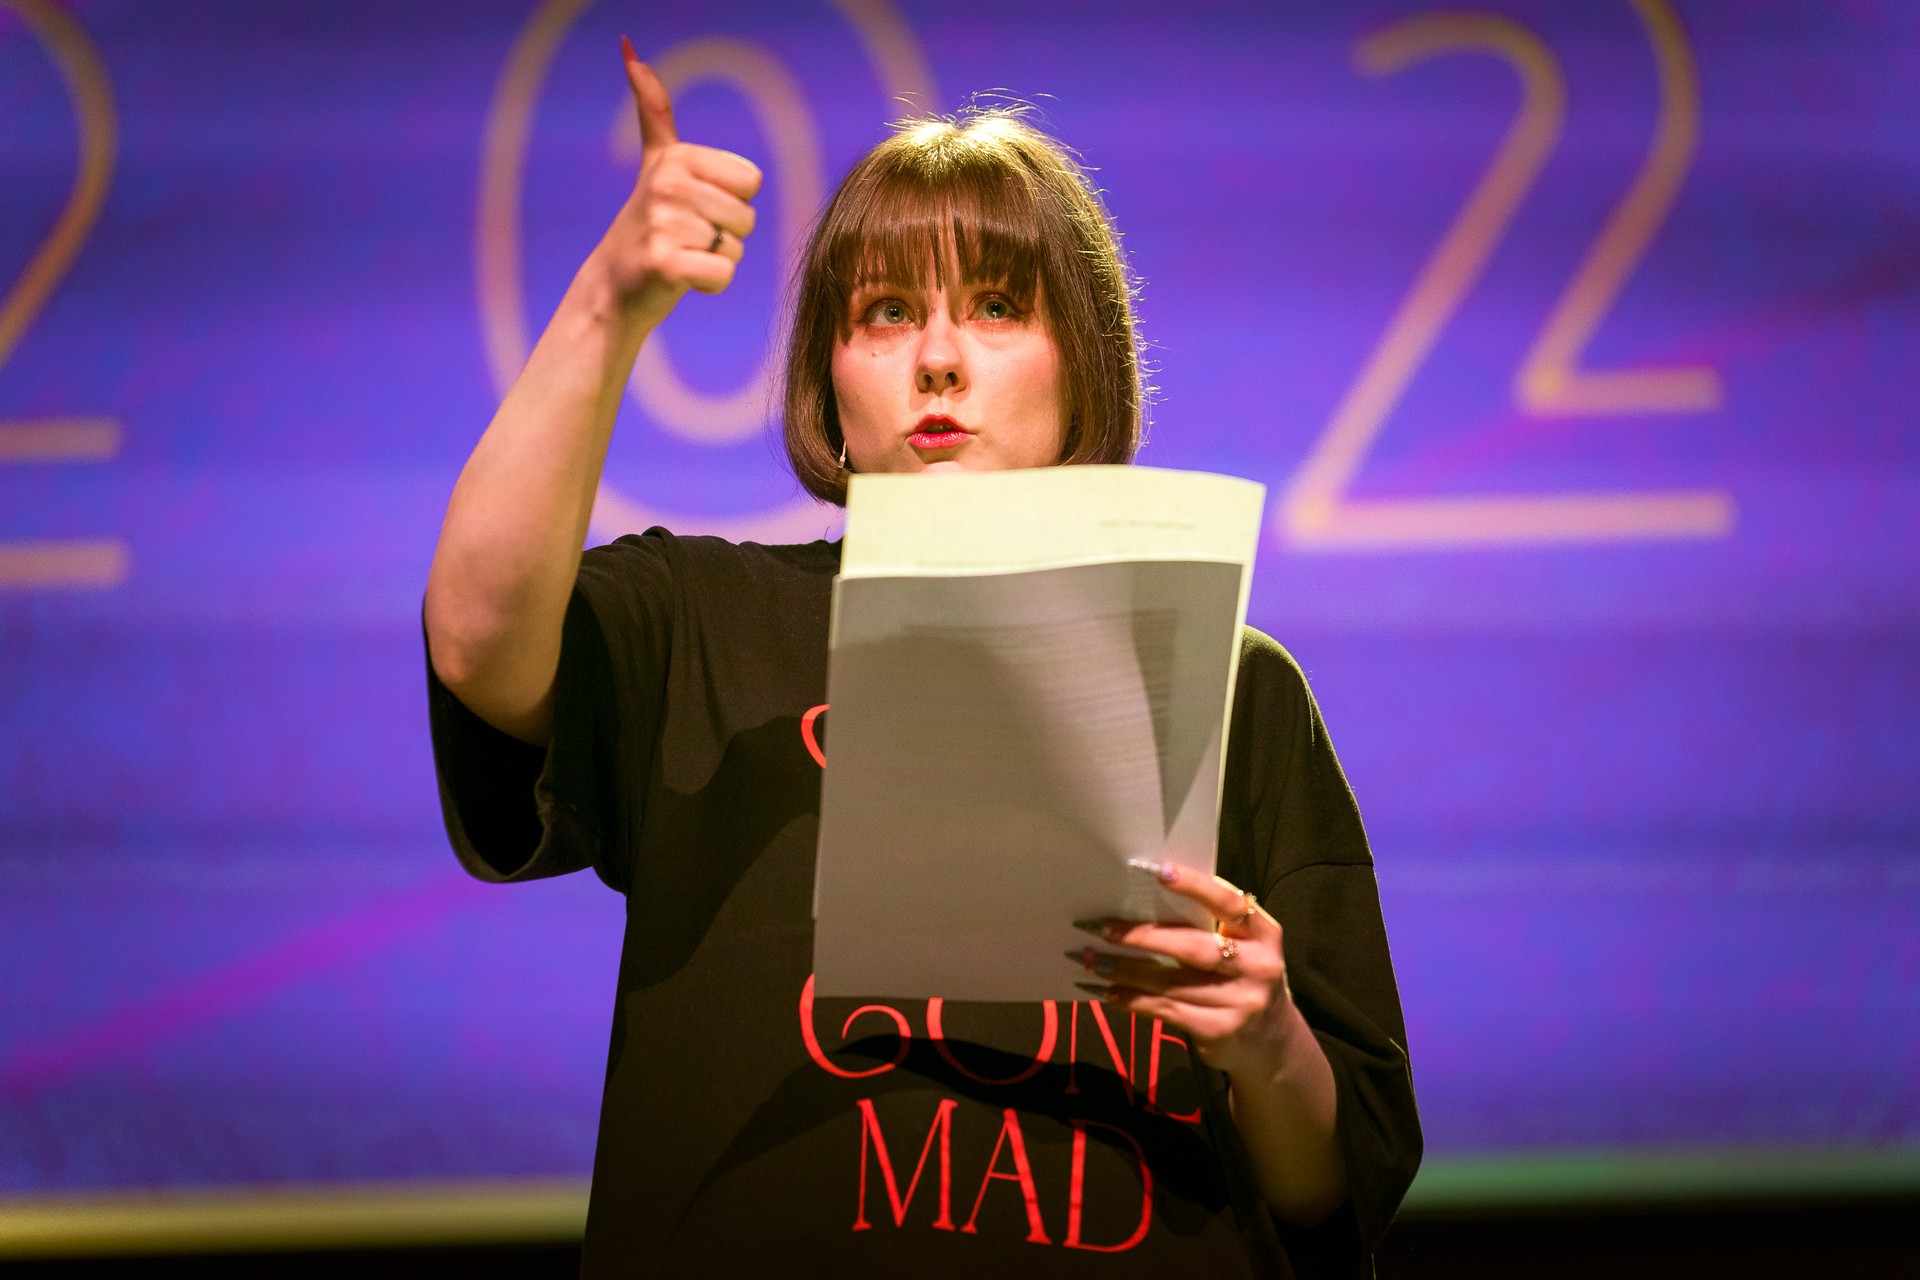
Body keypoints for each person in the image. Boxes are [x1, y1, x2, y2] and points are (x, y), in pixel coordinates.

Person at [423, 38, 1420, 1280]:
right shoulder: (699, 622)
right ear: (829, 381)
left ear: (1083, 358)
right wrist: (607, 305)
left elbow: (1331, 1185)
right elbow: (475, 639)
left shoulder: (1237, 685)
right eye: (888, 312)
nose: (938, 358)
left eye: (997, 306)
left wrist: (1267, 1039)